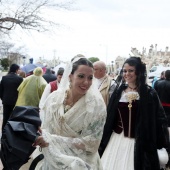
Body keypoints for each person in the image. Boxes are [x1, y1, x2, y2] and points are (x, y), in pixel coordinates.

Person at [30, 56, 107, 169]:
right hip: (52, 161)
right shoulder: (54, 100)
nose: (86, 82)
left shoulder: (96, 106)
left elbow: (92, 143)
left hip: (81, 164)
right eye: (81, 76)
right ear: (70, 76)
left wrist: (52, 140)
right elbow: (45, 128)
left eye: (90, 78)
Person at [100, 57, 169, 170]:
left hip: (142, 142)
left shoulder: (149, 93)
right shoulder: (119, 92)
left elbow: (159, 119)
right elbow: (111, 116)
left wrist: (162, 144)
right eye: (125, 71)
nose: (127, 74)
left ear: (139, 72)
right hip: (117, 138)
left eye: (131, 70)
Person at [0, 64, 23, 130]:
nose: (19, 71)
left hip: (6, 101)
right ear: (16, 70)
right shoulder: (19, 79)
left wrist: (3, 98)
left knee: (5, 118)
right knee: (14, 118)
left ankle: (4, 134)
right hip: (16, 102)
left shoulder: (4, 78)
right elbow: (20, 91)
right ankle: (11, 134)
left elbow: (1, 90)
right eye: (19, 69)